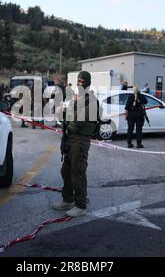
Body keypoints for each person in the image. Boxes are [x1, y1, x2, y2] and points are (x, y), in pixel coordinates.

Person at [53, 71, 101, 218]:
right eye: (78, 81)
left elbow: (77, 122)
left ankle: (80, 205)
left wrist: (67, 116)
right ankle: (68, 199)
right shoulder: (76, 99)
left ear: (88, 82)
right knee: (65, 171)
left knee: (77, 173)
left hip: (80, 140)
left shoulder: (91, 100)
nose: (80, 84)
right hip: (70, 138)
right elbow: (63, 117)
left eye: (82, 81)